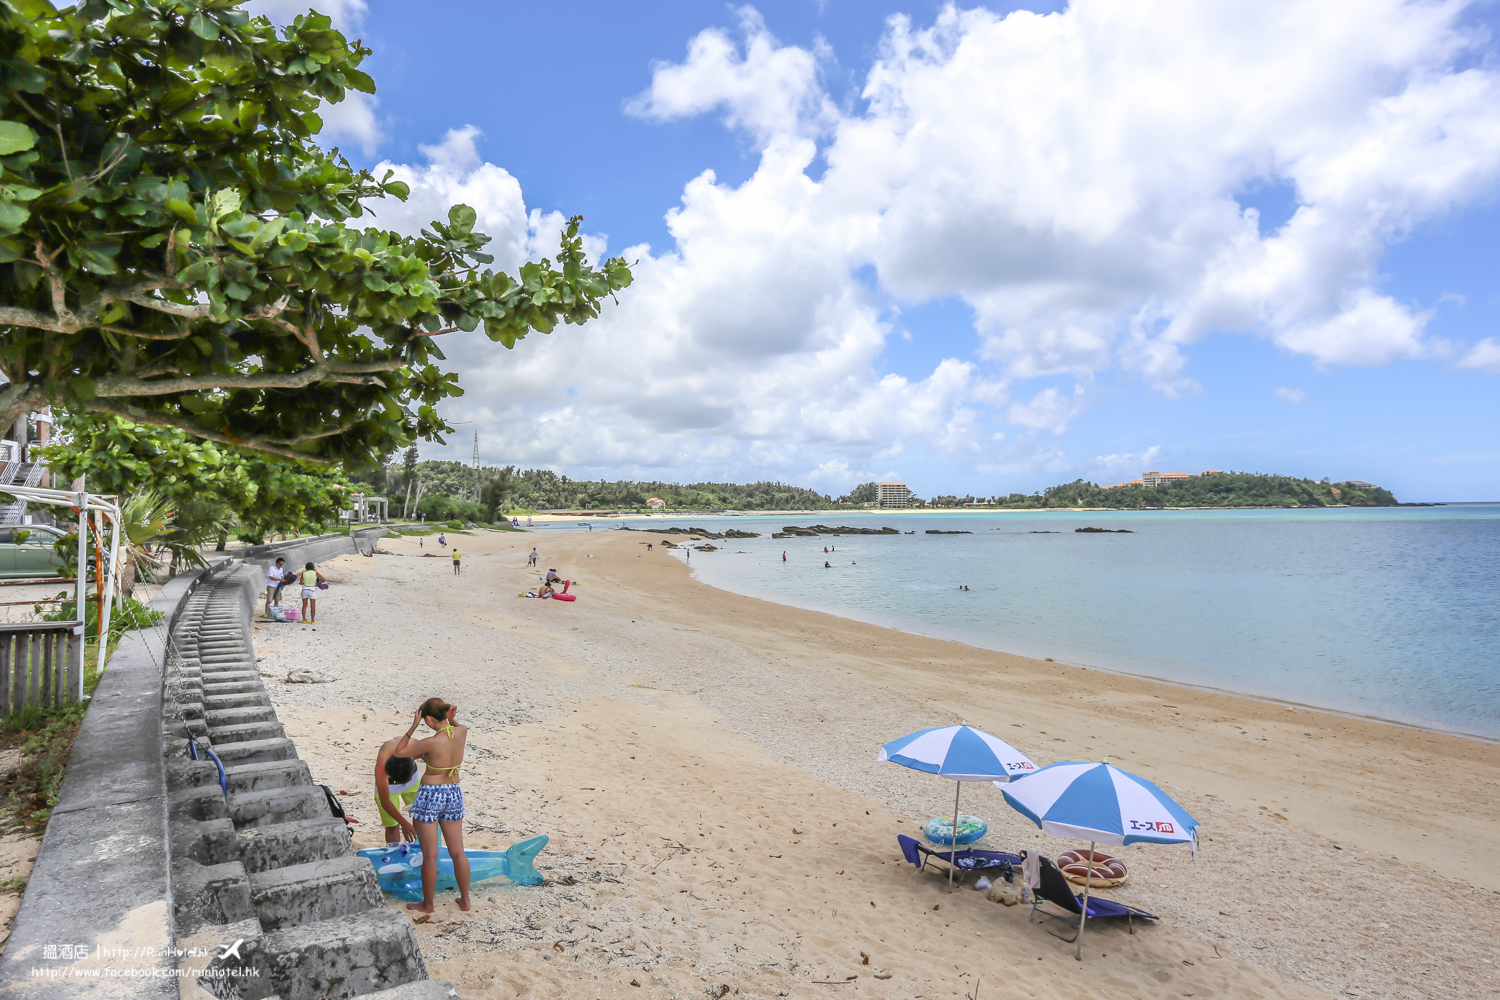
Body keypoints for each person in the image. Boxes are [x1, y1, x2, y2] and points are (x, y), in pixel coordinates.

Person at [391, 698, 470, 912]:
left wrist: (413, 726)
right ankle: (465, 901)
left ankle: (428, 904)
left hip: (430, 794)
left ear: (427, 719)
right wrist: (451, 719)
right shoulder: (461, 731)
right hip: (453, 791)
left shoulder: (430, 742)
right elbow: (456, 726)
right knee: (458, 852)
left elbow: (399, 753)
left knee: (430, 855)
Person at [374, 733, 420, 844]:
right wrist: (404, 823)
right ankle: (393, 852)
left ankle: (423, 851)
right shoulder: (382, 765)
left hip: (413, 780)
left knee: (421, 818)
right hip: (390, 786)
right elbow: (385, 801)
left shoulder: (415, 746)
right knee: (392, 825)